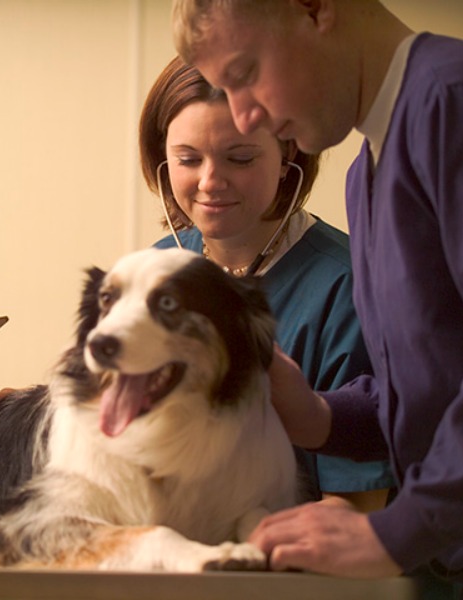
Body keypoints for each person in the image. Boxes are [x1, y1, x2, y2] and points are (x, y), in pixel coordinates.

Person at [170, 0, 463, 598]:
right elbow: (433, 385)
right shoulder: (365, 173)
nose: (246, 114)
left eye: (244, 75)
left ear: (315, 10)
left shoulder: (462, 101)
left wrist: (395, 533)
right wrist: (319, 417)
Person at [141, 56, 393, 512]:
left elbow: (357, 510)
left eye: (239, 158)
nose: (210, 182)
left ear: (287, 155)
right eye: (187, 159)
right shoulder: (153, 272)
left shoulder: (348, 287)